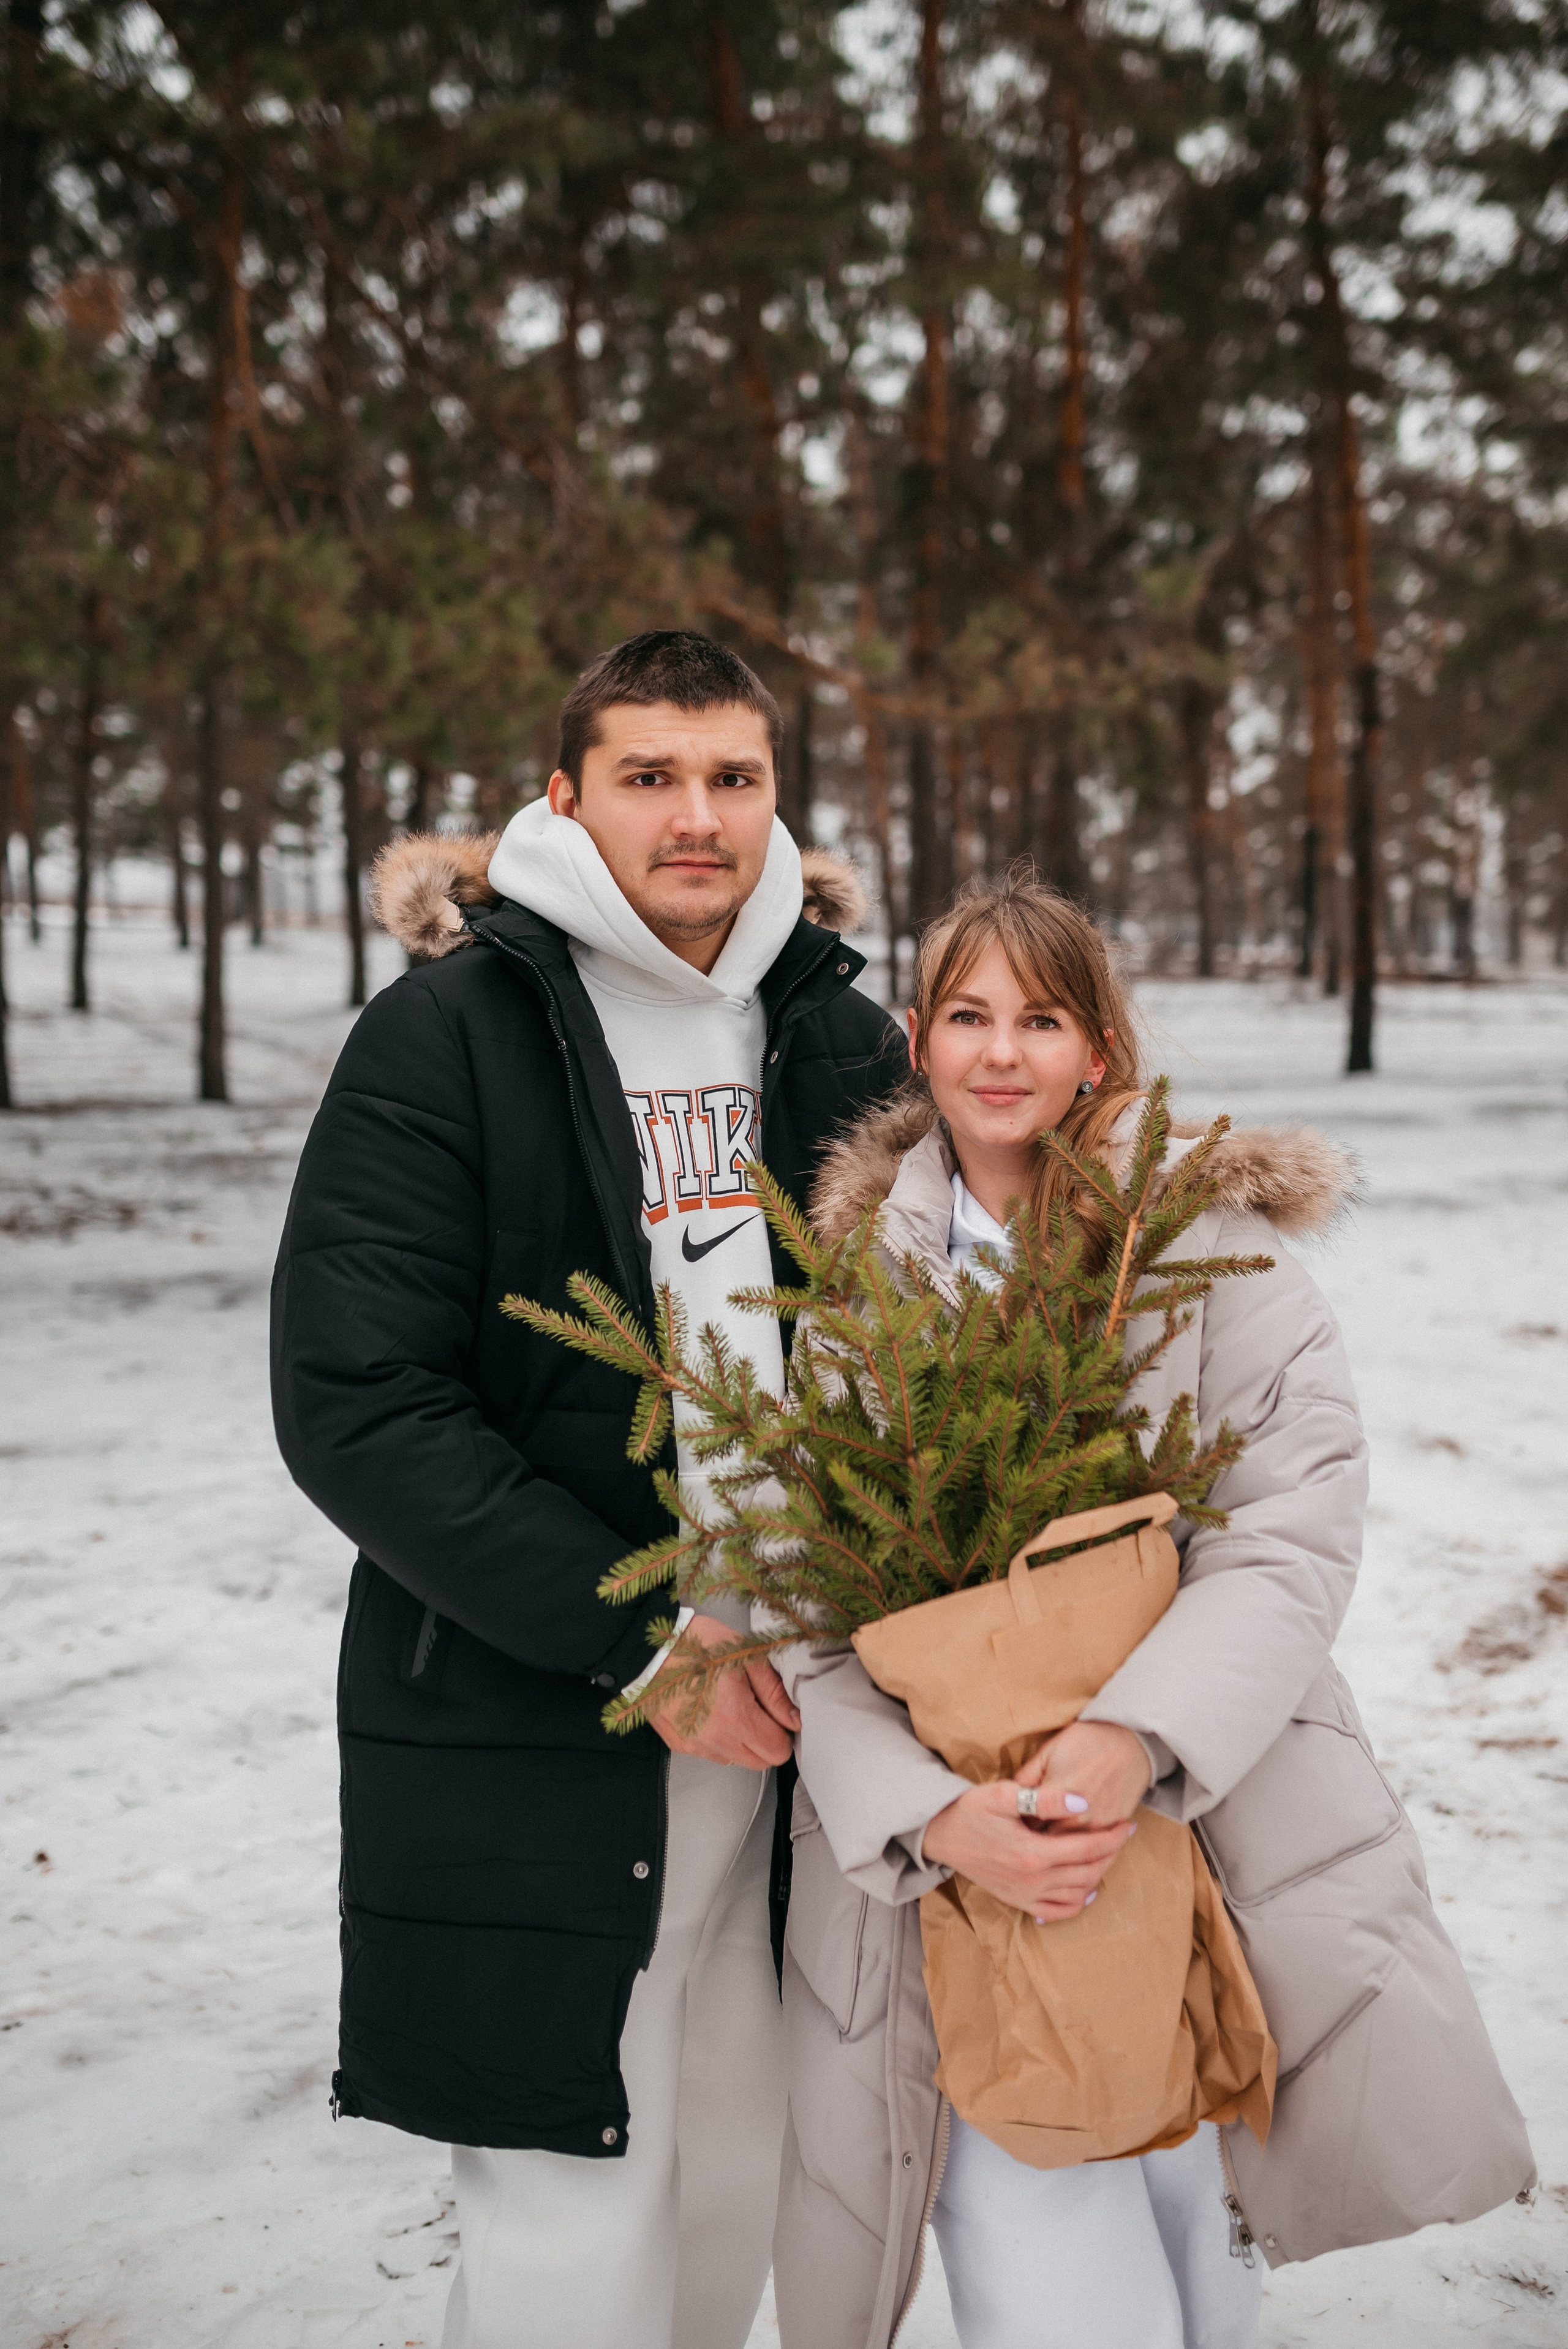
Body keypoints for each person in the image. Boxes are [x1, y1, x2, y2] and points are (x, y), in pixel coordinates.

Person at [769, 870, 1533, 2349]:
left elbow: (1289, 1527)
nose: (1001, 1053)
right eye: (967, 1017)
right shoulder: (860, 1284)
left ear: (1098, 1051)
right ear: (915, 1042)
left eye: (1040, 1020)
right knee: (1039, 2246)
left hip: (1195, 1829)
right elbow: (816, 1604)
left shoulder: (1198, 1246)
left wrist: (1133, 1739)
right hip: (973, 1877)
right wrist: (933, 1817)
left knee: (1197, 2234)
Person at [269, 631, 907, 2349]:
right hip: (556, 1698)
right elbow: (356, 1398)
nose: (696, 816)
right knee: (572, 2194)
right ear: (564, 797)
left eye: (732, 777)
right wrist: (642, 1640)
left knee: (738, 2166)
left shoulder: (835, 1029)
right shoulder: (450, 1035)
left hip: (813, 1702)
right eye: (649, 776)